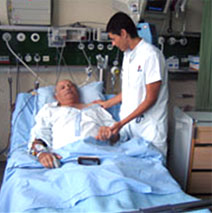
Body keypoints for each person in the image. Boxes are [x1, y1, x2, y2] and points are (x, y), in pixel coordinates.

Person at [95, 12, 168, 156]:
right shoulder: (128, 55)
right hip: (131, 129)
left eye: (113, 39)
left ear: (123, 33)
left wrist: (121, 124)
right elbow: (131, 90)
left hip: (149, 130)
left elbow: (150, 99)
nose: (113, 44)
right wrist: (107, 104)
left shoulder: (151, 55)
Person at [28, 79, 123, 168]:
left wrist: (110, 134)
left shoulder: (97, 109)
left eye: (71, 86)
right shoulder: (49, 110)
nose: (68, 88)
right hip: (65, 159)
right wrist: (41, 153)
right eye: (62, 87)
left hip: (101, 156)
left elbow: (118, 134)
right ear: (56, 97)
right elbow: (39, 136)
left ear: (77, 92)